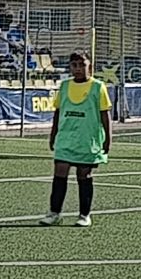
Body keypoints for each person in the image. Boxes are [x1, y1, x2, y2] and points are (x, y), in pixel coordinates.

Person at [45, 50, 112, 227]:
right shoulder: (65, 86)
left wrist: (108, 139)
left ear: (90, 66)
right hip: (66, 138)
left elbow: (105, 115)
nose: (78, 68)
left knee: (84, 175)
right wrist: (53, 134)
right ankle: (54, 213)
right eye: (74, 65)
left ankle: (84, 215)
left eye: (82, 65)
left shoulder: (98, 87)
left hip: (87, 139)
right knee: (60, 172)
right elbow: (58, 112)